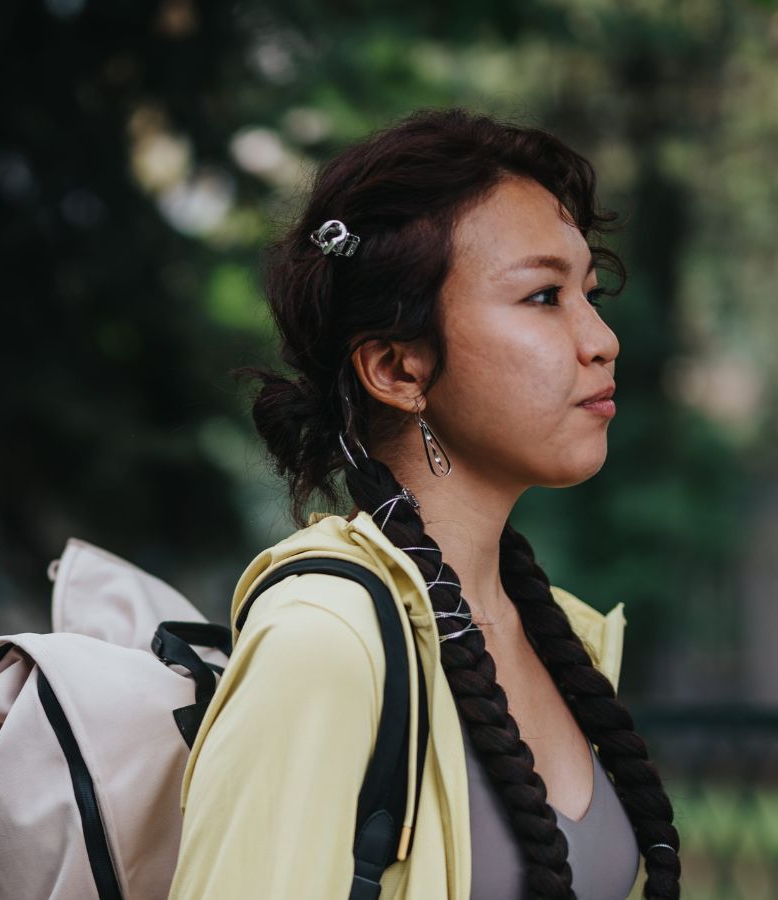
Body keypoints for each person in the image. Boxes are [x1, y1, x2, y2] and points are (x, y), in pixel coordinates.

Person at [168, 109, 680, 900]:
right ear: (398, 369)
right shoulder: (326, 643)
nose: (601, 337)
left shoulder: (567, 640)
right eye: (544, 296)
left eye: (590, 290)